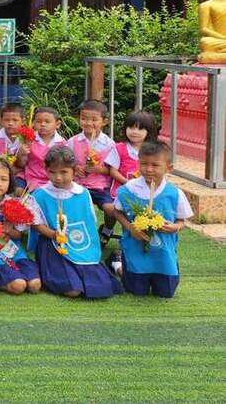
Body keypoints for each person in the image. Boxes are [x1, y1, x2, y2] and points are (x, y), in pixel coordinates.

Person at [29, 146, 122, 299]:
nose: (58, 177)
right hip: (52, 244)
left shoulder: (83, 193)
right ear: (46, 170)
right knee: (72, 290)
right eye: (52, 172)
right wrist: (53, 234)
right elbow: (35, 224)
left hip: (81, 244)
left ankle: (112, 261)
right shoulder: (40, 194)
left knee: (100, 288)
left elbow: (89, 223)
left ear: (74, 170)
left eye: (63, 172)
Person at [114, 140, 193, 298]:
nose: (149, 169)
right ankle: (118, 264)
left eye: (155, 165)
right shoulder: (128, 189)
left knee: (166, 293)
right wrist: (130, 228)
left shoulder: (174, 193)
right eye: (144, 164)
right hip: (135, 251)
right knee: (136, 292)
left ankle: (120, 263)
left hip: (163, 254)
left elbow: (181, 220)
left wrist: (175, 227)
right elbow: (117, 211)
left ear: (168, 168)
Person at [0, 158, 42, 295]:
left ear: (10, 182)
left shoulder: (13, 204)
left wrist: (9, 230)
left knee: (35, 284)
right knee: (19, 286)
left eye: (4, 179)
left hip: (14, 251)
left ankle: (16, 274)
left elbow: (18, 235)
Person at [67, 100, 119, 247]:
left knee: (111, 209)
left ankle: (107, 230)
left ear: (105, 121)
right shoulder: (73, 141)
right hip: (78, 184)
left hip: (101, 186)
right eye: (84, 118)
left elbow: (112, 170)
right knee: (72, 204)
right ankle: (75, 231)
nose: (89, 123)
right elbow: (66, 161)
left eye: (94, 119)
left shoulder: (109, 144)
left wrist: (98, 169)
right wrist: (75, 167)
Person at [109, 110, 158, 199]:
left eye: (140, 129)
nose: (135, 132)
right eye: (131, 128)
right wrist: (128, 183)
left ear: (148, 131)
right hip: (122, 191)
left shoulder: (153, 151)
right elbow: (113, 171)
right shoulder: (119, 148)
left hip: (145, 193)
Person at [21, 106, 67, 191]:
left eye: (47, 122)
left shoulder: (62, 143)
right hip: (32, 179)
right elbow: (21, 163)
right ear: (33, 123)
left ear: (57, 124)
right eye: (38, 121)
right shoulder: (28, 140)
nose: (42, 124)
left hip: (54, 181)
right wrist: (21, 153)